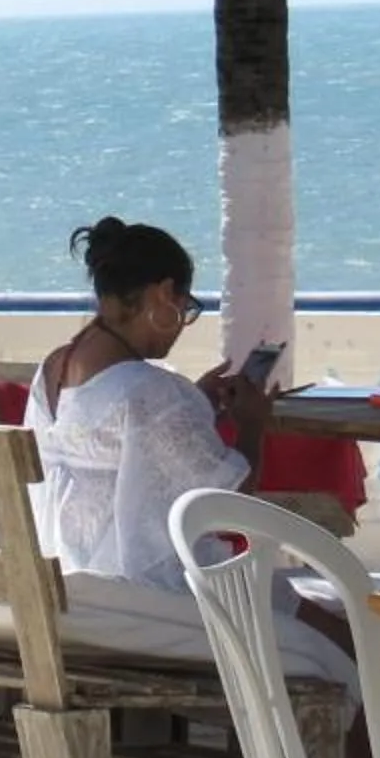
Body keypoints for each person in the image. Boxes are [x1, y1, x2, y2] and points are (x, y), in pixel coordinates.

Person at [26, 216, 274, 591]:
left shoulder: (51, 371)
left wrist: (193, 404)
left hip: (74, 589)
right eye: (186, 307)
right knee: (330, 621)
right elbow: (230, 508)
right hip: (152, 600)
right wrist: (253, 425)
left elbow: (115, 439)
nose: (182, 323)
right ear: (164, 294)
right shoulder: (153, 392)